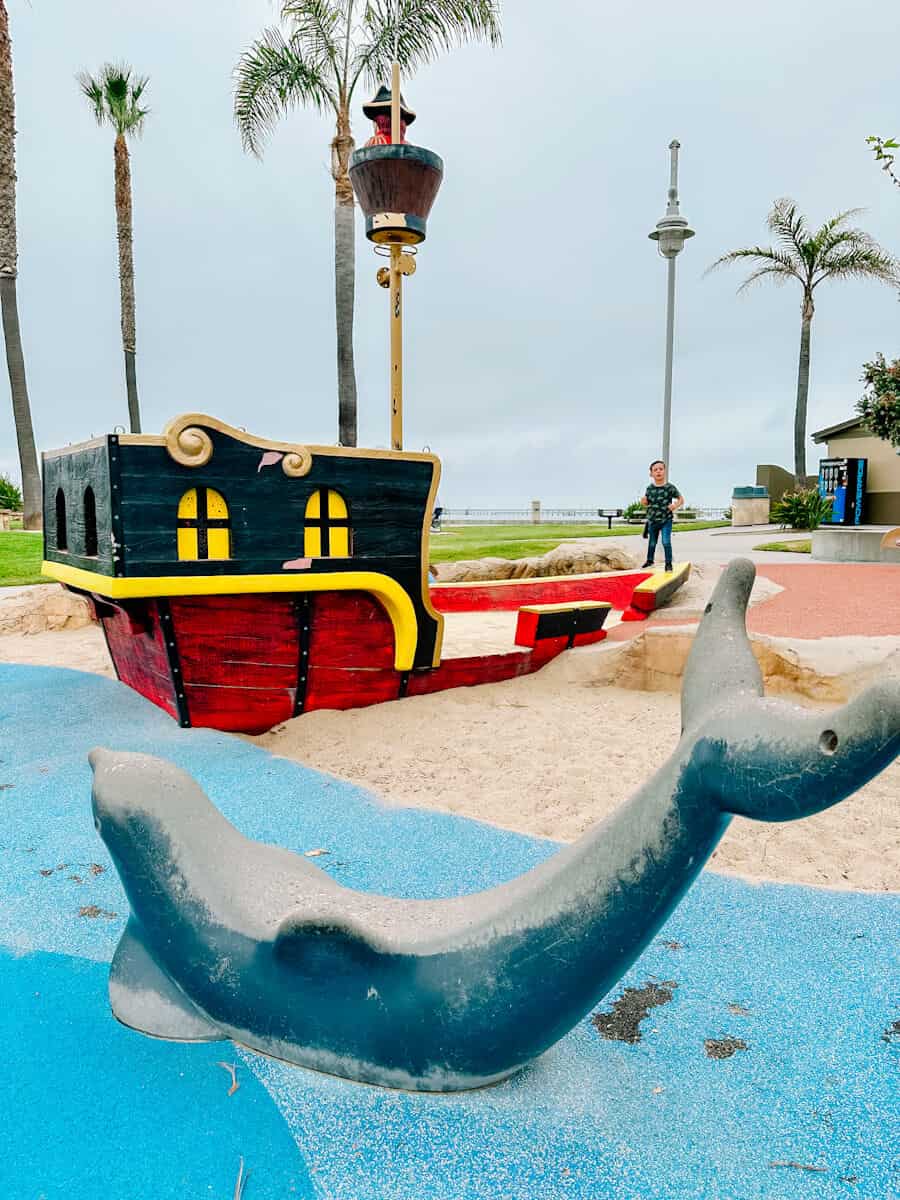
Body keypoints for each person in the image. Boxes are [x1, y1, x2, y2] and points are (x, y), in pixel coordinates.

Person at [640, 460, 683, 572]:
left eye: (661, 469)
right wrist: (643, 501)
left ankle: (668, 564)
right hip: (653, 520)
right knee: (652, 542)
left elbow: (681, 499)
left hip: (666, 520)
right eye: (655, 470)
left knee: (666, 541)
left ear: (664, 471)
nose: (658, 471)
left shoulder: (670, 487)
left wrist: (675, 505)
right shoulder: (649, 488)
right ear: (651, 474)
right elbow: (647, 503)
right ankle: (649, 561)